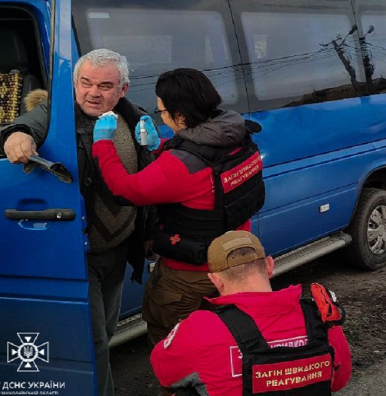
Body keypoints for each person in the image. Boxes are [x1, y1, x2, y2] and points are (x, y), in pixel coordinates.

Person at [0, 48, 154, 396]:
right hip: (82, 252)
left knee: (106, 335)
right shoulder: (57, 115)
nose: (94, 92)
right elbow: (17, 128)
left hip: (118, 248)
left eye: (105, 85)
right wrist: (15, 136)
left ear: (122, 89)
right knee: (92, 343)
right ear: (75, 84)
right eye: (86, 83)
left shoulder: (134, 116)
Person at [91, 67, 264, 346]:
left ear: (180, 116)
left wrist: (102, 144)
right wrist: (160, 146)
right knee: (229, 343)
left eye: (161, 111)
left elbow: (123, 190)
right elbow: (200, 165)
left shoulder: (180, 167)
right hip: (239, 263)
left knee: (175, 348)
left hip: (190, 277)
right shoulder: (238, 135)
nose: (161, 116)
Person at [150, 230, 352, 395]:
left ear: (215, 280)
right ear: (270, 266)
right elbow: (339, 380)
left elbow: (165, 374)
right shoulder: (320, 315)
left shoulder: (200, 328)